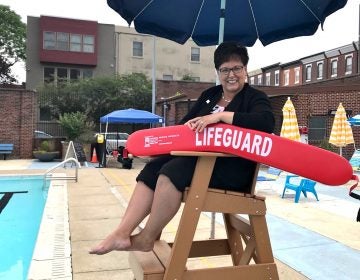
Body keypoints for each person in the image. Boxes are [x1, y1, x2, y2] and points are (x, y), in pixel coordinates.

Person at [89, 42, 275, 255]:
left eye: (237, 68)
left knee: (172, 172)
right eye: (225, 69)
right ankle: (121, 233)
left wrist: (220, 116)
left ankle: (147, 237)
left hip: (232, 169)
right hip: (197, 161)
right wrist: (162, 146)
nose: (231, 74)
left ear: (245, 70)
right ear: (218, 72)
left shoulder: (255, 97)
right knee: (153, 168)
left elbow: (266, 122)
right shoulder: (210, 94)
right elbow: (184, 127)